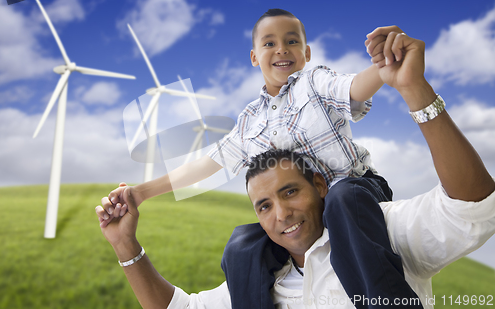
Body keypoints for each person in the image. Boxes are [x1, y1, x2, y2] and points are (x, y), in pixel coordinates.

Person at [96, 27, 495, 308]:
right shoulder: (249, 121)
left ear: (306, 54)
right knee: (241, 244)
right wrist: (140, 196)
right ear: (254, 57)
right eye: (269, 43)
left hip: (355, 195)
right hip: (323, 202)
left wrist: (397, 75)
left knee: (344, 200)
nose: (281, 49)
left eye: (292, 41)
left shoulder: (315, 85)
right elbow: (210, 163)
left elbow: (355, 86)